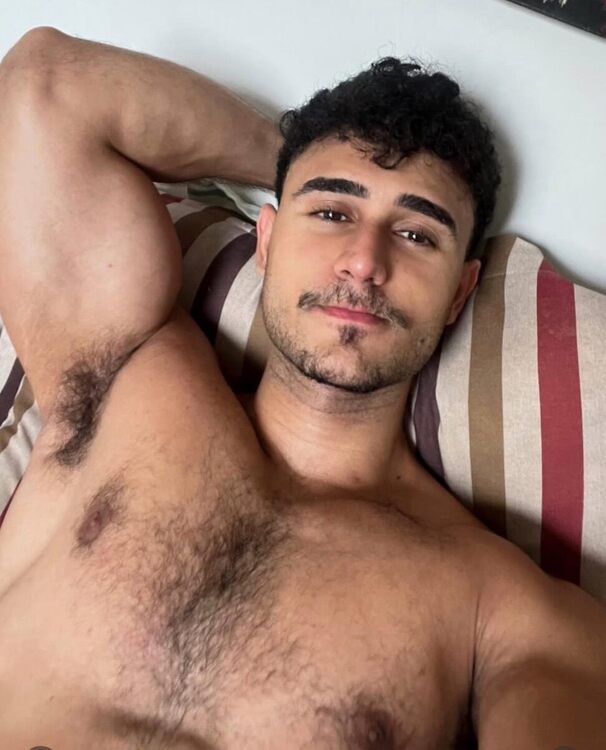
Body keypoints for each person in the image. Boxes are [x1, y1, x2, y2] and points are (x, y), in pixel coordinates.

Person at [0, 25, 604, 750]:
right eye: (331, 212)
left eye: (417, 234)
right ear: (267, 240)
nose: (363, 260)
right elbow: (46, 81)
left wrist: (315, 185)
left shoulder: (496, 610)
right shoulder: (124, 378)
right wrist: (291, 156)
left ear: (458, 294)